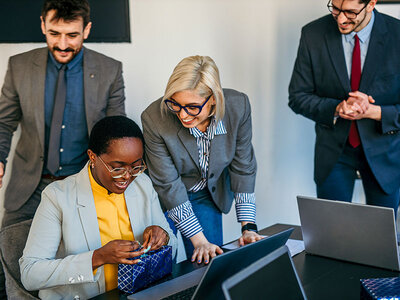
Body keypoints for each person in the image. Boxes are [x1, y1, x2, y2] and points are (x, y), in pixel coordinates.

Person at [19, 116, 177, 299]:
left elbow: (173, 247)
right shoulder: (57, 197)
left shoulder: (142, 184)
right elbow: (30, 274)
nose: (127, 177)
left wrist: (163, 237)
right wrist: (98, 257)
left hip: (136, 294)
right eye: (117, 168)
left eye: (135, 166)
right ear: (92, 157)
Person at [141, 55, 262, 265]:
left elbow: (243, 167)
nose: (183, 115)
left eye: (193, 107)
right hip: (162, 198)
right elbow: (168, 184)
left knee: (209, 263)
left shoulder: (238, 107)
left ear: (214, 98)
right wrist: (198, 240)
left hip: (206, 194)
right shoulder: (154, 118)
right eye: (175, 104)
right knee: (158, 269)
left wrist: (248, 227)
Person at [289, 0, 400, 211]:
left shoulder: (397, 35)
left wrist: (375, 112)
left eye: (349, 12)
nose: (340, 19)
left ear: (371, 4)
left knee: (381, 239)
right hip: (333, 155)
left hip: (386, 155)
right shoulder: (313, 34)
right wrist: (336, 108)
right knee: (333, 235)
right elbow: (297, 96)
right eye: (336, 8)